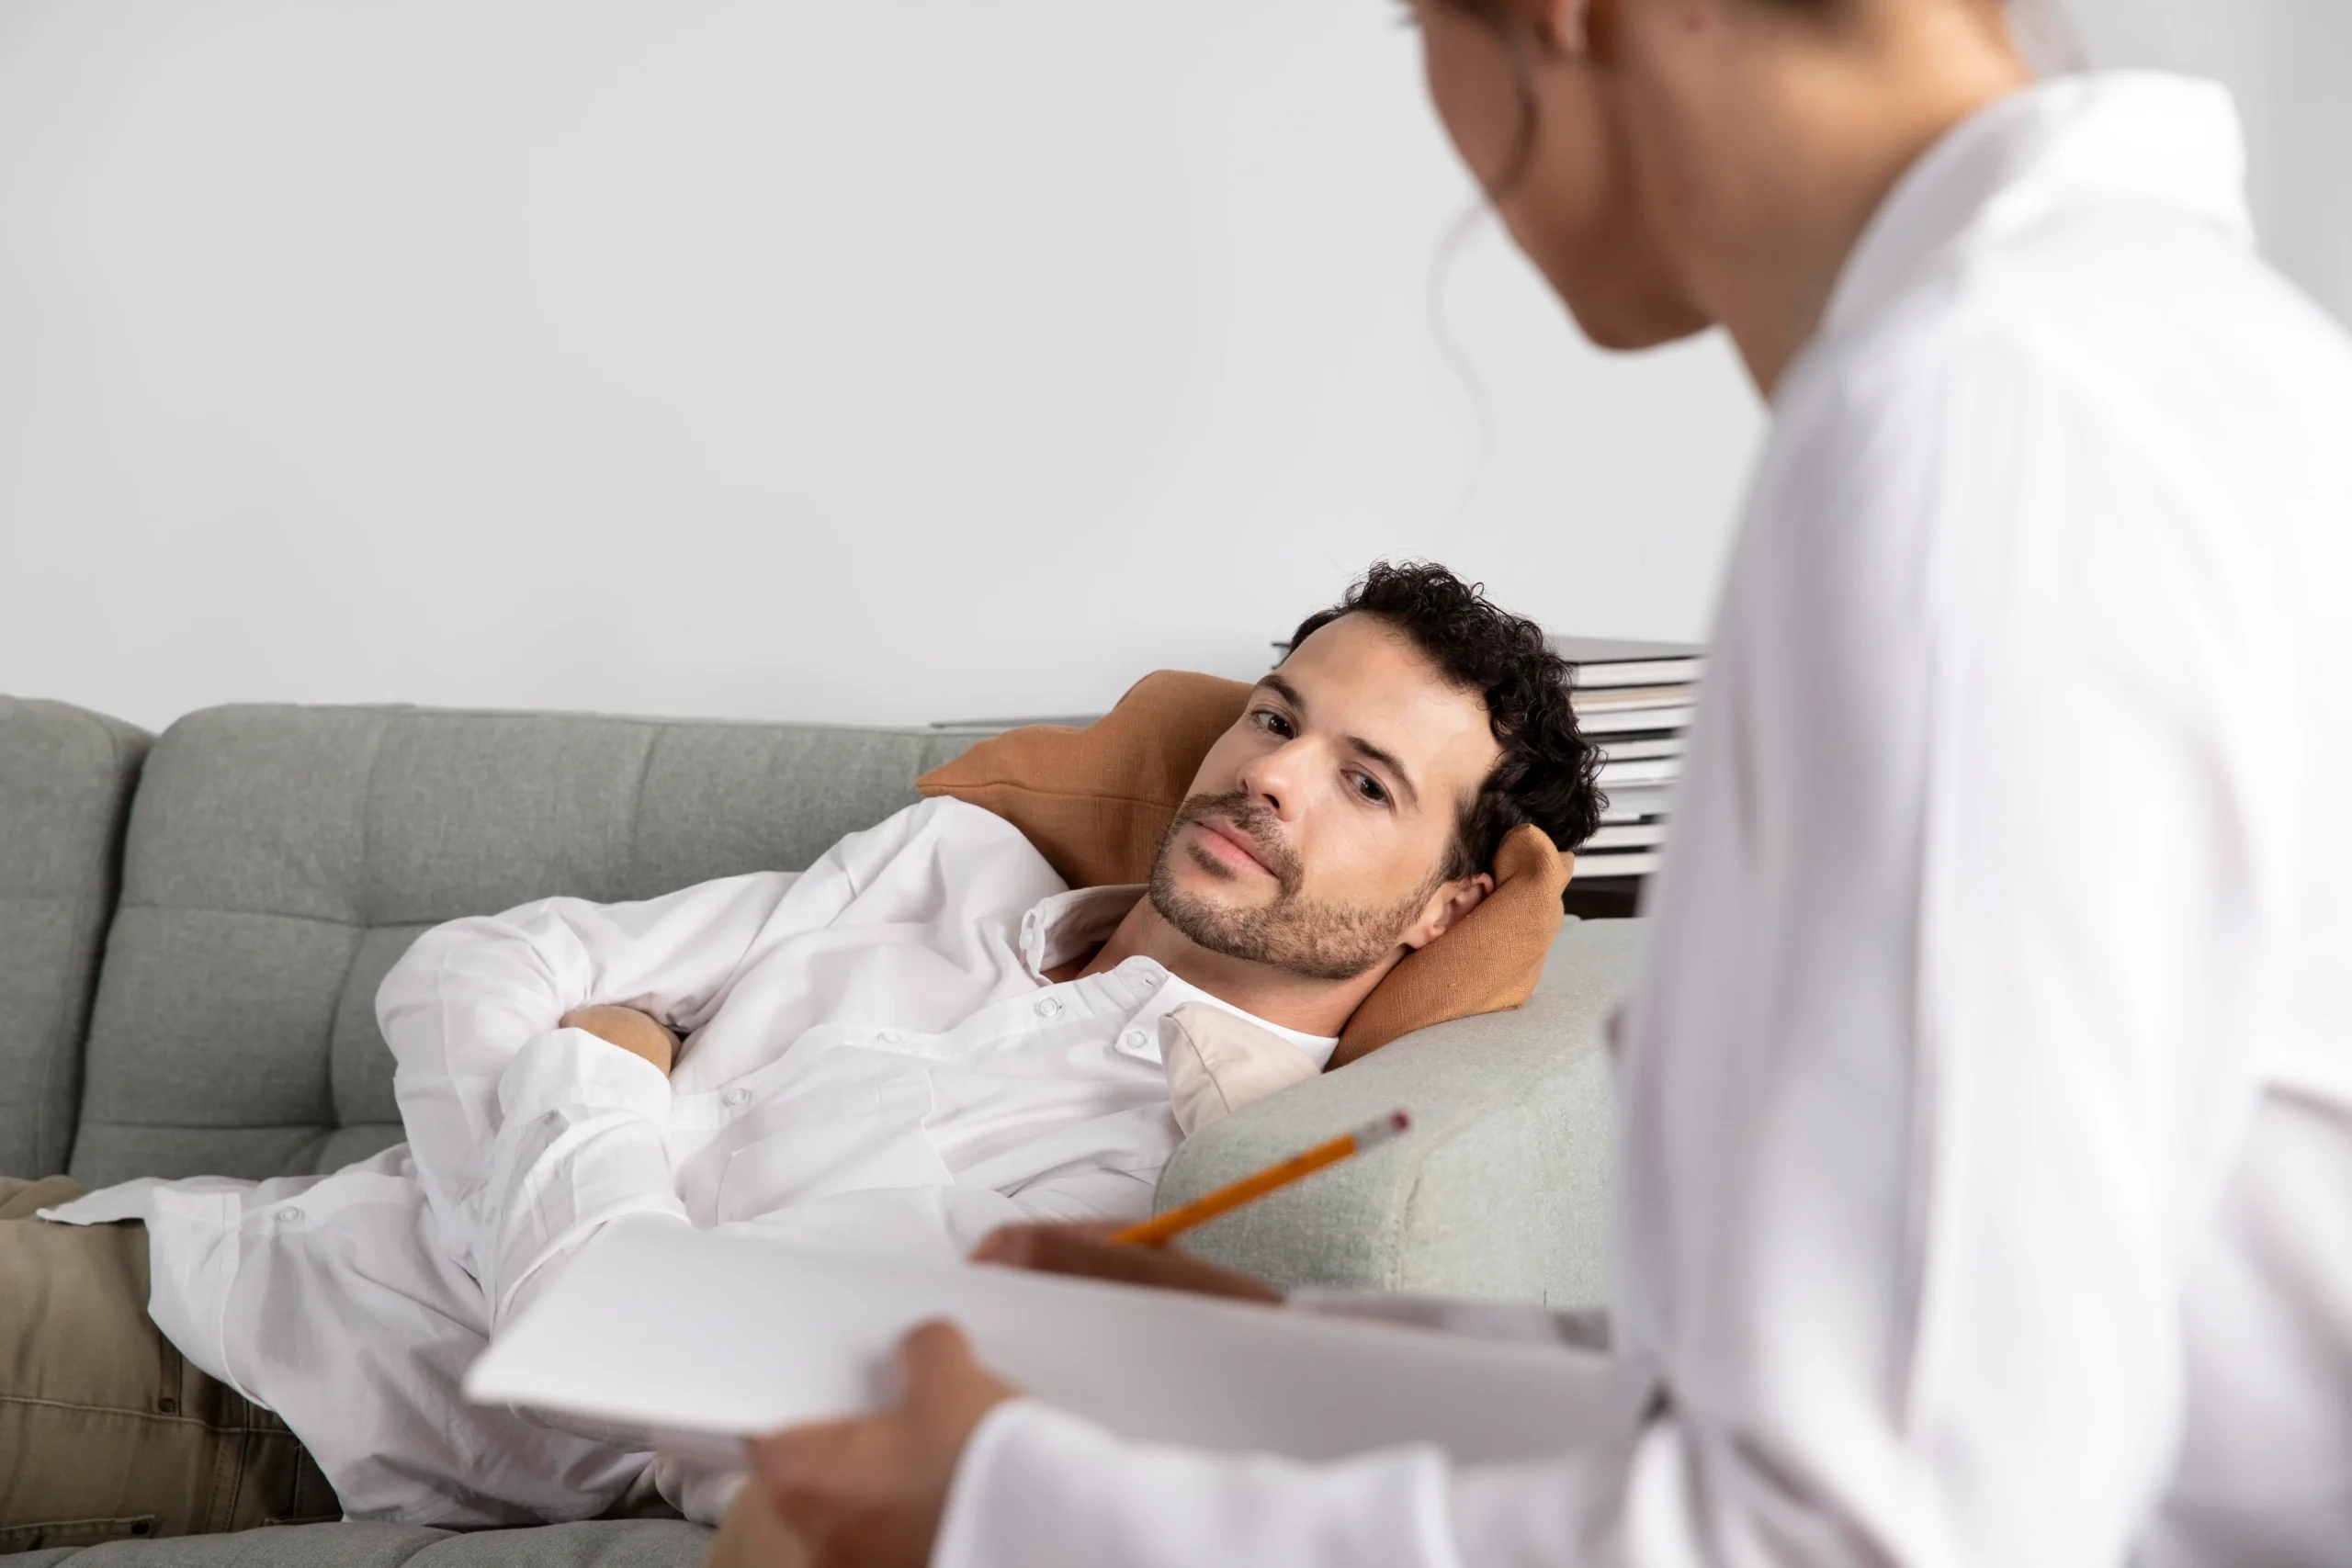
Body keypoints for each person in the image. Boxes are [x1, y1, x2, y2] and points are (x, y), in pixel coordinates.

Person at [738, 2, 2352, 1565]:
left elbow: (1879, 1534)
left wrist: (1010, 1515)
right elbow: (1946, 1385)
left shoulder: (1982, 441)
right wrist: (1293, 1381)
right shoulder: (2180, 362)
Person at [0, 562, 1602, 1538]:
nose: (1273, 778)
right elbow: (475, 966)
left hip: (241, 1392)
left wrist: (601, 1067)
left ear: (1443, 906)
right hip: (153, 1214)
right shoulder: (950, 872)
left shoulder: (1153, 1177)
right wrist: (596, 1206)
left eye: (1367, 784)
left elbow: (644, 1367)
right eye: (1276, 715)